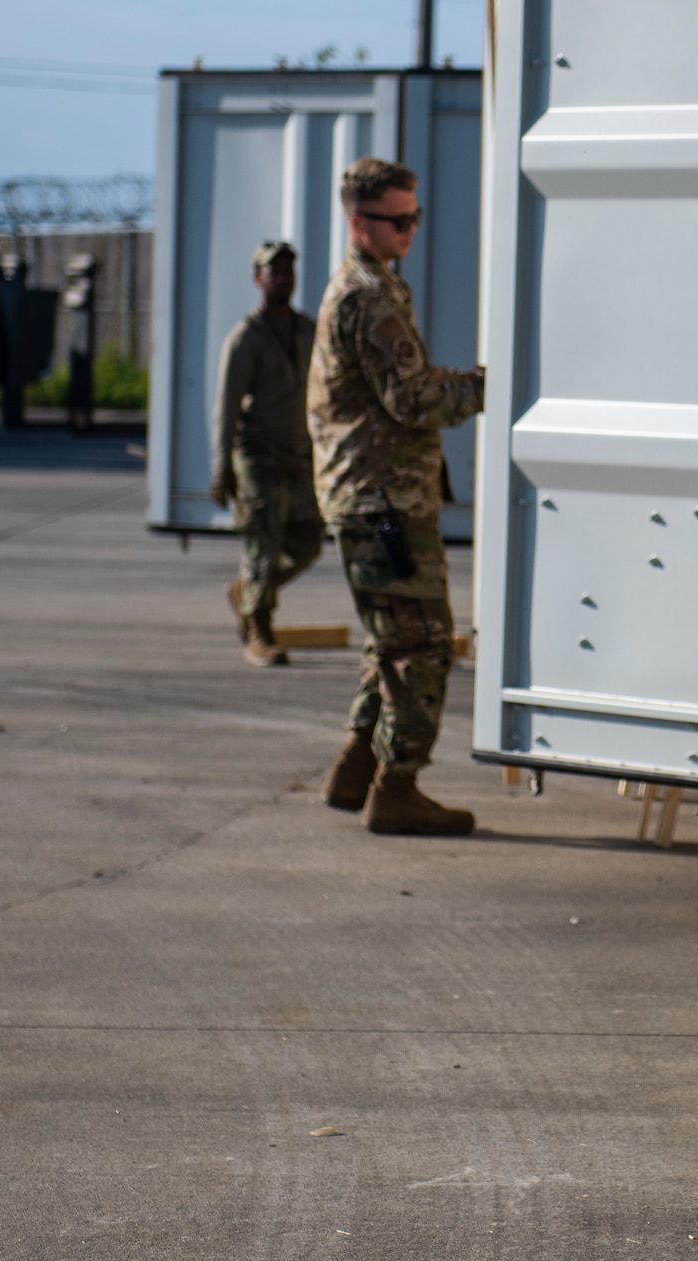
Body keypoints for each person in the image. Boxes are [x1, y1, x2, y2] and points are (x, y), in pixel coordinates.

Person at [308, 157, 484, 835]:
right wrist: (487, 387)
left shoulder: (372, 285)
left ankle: (358, 767)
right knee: (425, 642)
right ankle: (398, 786)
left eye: (416, 217)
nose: (410, 229)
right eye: (398, 219)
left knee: (392, 639)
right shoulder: (370, 297)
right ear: (359, 222)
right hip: (382, 501)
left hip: (374, 495)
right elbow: (410, 397)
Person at [211, 240, 323, 667]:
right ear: (257, 279)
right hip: (257, 454)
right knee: (262, 541)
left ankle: (248, 592)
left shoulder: (307, 330)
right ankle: (258, 629)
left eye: (288, 271)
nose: (282, 279)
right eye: (273, 272)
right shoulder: (246, 338)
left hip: (298, 451)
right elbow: (226, 404)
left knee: (307, 541)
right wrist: (223, 465)